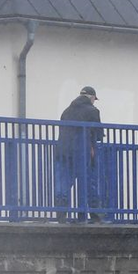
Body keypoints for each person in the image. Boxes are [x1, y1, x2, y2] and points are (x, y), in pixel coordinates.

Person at [55, 86, 104, 222]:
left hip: (63, 152)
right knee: (89, 184)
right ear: (92, 97)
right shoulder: (93, 111)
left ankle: (61, 214)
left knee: (63, 184)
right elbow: (98, 134)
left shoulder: (67, 111)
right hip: (83, 153)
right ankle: (94, 216)